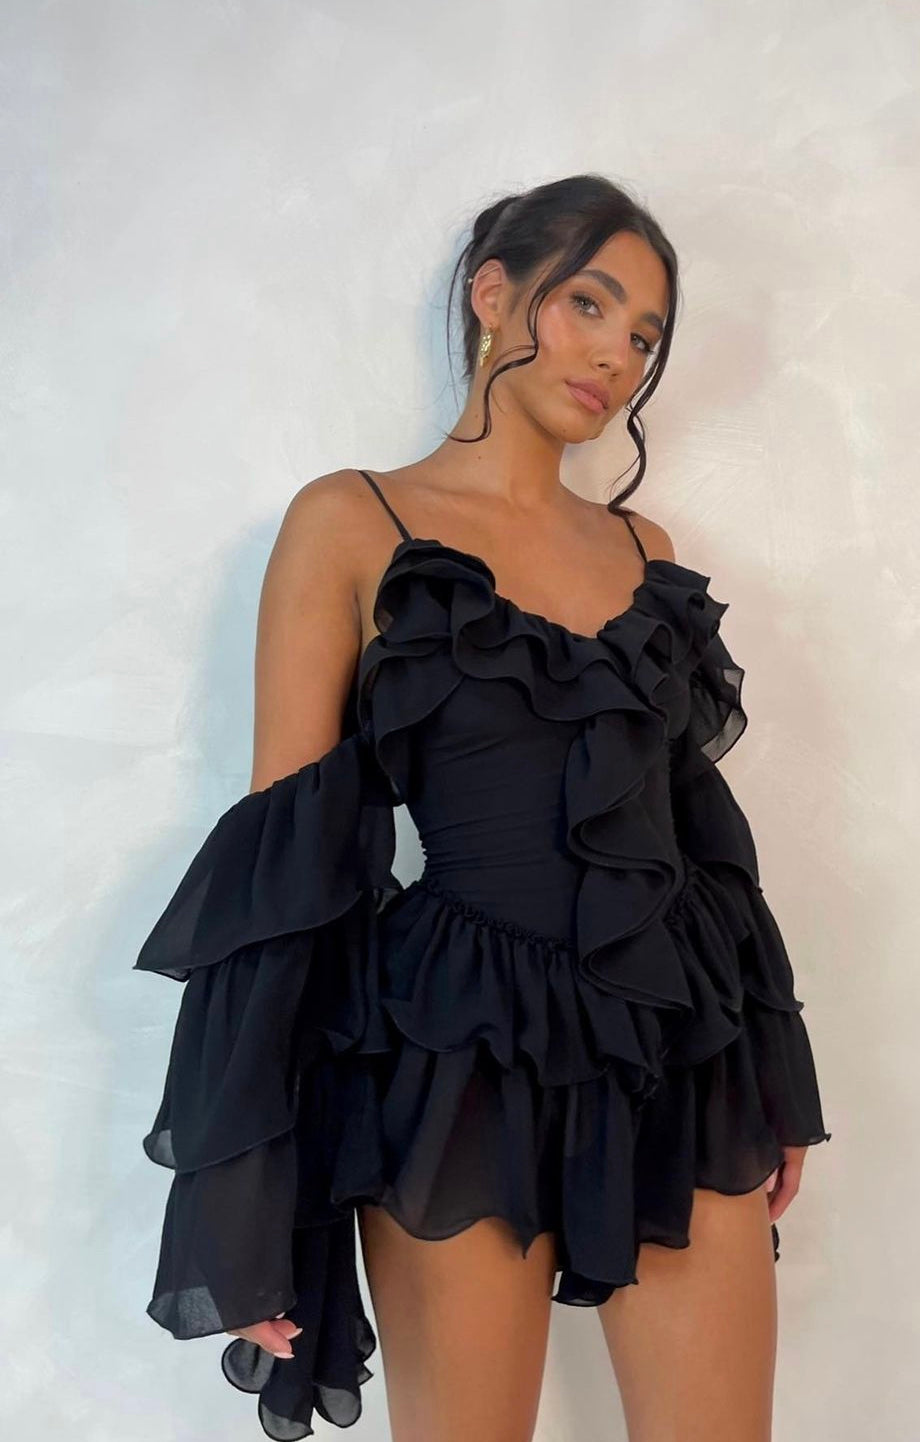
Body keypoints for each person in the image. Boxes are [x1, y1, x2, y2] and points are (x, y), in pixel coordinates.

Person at [134, 174, 831, 1442]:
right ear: (494, 292)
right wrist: (250, 1193)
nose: (617, 355)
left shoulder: (648, 553)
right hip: (456, 1050)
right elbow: (287, 857)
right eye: (590, 304)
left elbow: (700, 835)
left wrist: (772, 1064)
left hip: (675, 1045)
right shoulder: (351, 520)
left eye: (645, 336)